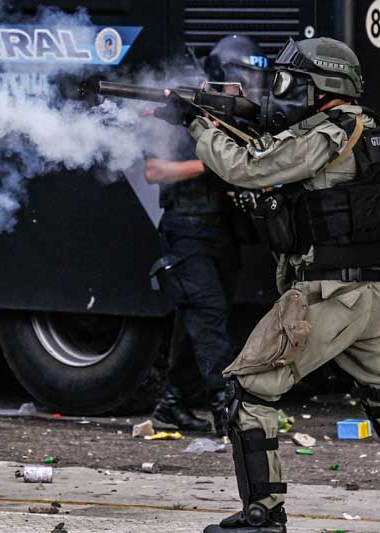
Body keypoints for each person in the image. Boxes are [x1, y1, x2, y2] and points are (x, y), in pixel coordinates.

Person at [177, 36, 380, 532]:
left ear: (323, 85)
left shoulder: (328, 132)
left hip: (329, 296)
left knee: (250, 391)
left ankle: (263, 514)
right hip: (376, 296)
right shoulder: (374, 129)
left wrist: (199, 125)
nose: (287, 93)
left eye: (296, 83)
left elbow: (251, 167)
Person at [147, 35, 269, 436]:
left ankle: (171, 404)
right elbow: (155, 171)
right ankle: (226, 406)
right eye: (241, 81)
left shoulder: (240, 119)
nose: (248, 89)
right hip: (187, 230)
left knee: (199, 320)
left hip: (223, 233)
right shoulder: (181, 115)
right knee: (209, 314)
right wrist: (213, 165)